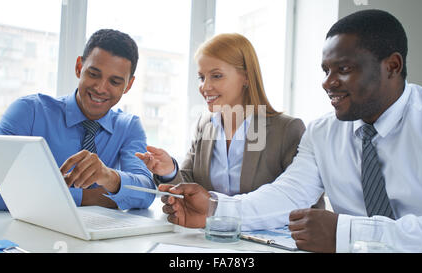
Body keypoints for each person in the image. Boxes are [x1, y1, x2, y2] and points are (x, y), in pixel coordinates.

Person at [158, 10, 422, 253]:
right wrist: (214, 211)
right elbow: (286, 196)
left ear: (392, 66)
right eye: (325, 70)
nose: (328, 83)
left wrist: (350, 234)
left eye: (343, 69)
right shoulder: (322, 132)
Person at [136, 33, 322, 206]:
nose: (205, 86)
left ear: (247, 77)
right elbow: (188, 185)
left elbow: (305, 201)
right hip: (208, 236)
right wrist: (169, 171)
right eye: (201, 77)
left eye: (216, 76)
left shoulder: (286, 130)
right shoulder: (205, 125)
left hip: (262, 239)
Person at [0, 29, 156, 210]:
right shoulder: (29, 111)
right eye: (93, 74)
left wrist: (109, 177)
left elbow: (146, 192)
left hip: (97, 235)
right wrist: (88, 197)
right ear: (79, 67)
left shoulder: (128, 127)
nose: (100, 88)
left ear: (128, 85)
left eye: (114, 82)